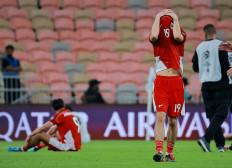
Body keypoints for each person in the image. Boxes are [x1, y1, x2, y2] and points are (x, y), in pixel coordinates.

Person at [150, 9, 186, 162]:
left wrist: (175, 19)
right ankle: (159, 151)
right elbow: (152, 36)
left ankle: (169, 152)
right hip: (161, 82)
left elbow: (177, 36)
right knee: (160, 116)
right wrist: (158, 17)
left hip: (176, 82)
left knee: (173, 120)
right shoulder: (157, 37)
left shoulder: (181, 34)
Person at [192, 24, 230, 152]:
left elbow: (195, 67)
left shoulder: (199, 47)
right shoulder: (221, 45)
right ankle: (206, 138)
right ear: (215, 33)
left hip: (206, 86)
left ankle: (220, 145)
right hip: (220, 83)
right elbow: (226, 66)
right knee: (222, 113)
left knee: (212, 115)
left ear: (205, 33)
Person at [8, 99, 81, 152]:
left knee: (39, 135)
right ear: (64, 106)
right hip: (75, 147)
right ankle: (35, 148)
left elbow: (41, 128)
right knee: (54, 133)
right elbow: (53, 129)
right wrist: (47, 138)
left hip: (67, 147)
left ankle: (23, 149)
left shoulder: (58, 116)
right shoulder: (69, 113)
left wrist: (29, 136)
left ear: (52, 108)